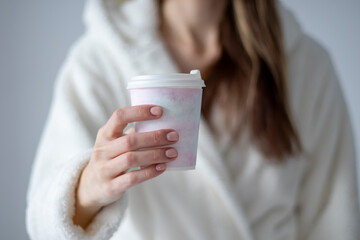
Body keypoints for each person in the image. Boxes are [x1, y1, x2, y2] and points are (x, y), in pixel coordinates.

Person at [26, 0, 360, 239]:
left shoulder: (305, 65)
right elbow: (44, 226)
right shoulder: (98, 62)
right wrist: (89, 188)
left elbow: (334, 219)